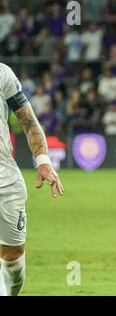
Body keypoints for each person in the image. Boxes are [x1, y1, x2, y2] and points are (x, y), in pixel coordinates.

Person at [0, 62, 64, 296]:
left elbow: (27, 119)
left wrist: (43, 160)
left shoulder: (3, 73)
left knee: (13, 260)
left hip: (6, 176)